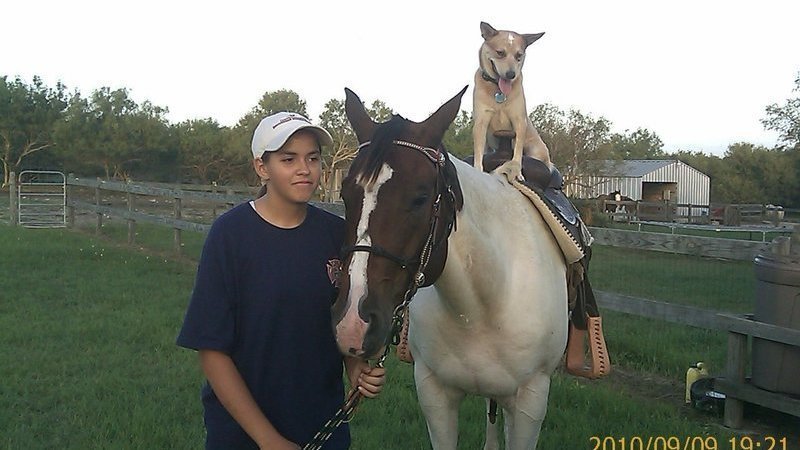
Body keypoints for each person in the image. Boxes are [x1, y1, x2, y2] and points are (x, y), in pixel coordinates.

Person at [177, 112, 386, 450]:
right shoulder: (230, 235)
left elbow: (338, 317)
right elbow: (212, 349)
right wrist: (267, 439)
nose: (304, 169)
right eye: (289, 159)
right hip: (243, 433)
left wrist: (355, 365)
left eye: (313, 158)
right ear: (262, 167)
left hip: (321, 426)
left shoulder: (336, 234)